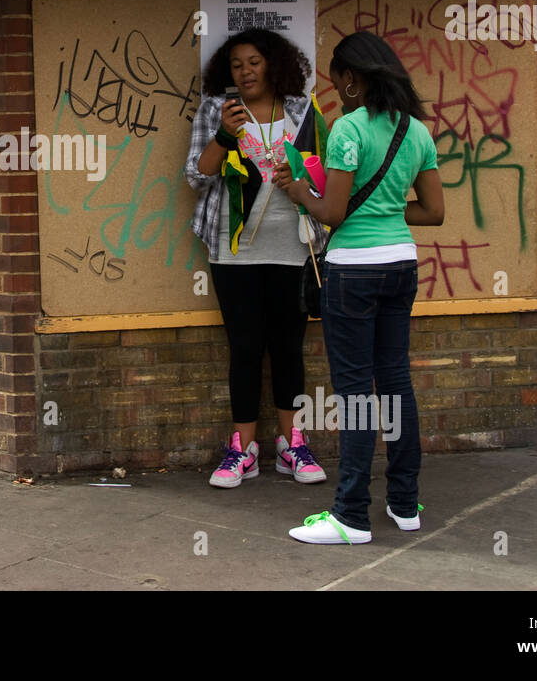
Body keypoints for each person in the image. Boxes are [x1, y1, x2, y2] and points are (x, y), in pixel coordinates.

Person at [273, 31, 444, 544]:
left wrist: (298, 189)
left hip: (354, 271)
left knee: (353, 395)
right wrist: (388, 211)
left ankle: (349, 516)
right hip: (401, 264)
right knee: (395, 383)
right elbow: (434, 212)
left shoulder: (349, 129)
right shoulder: (417, 131)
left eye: (337, 79)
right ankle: (404, 503)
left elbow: (333, 211)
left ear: (351, 78)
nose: (336, 88)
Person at [185, 29, 327, 489]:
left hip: (292, 247)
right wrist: (226, 135)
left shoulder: (303, 111)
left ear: (274, 65)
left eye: (254, 62)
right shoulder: (216, 111)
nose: (245, 72)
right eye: (237, 65)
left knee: (288, 346)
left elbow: (325, 176)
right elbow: (197, 174)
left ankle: (293, 445)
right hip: (233, 247)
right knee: (245, 347)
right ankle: (242, 449)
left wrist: (300, 175)